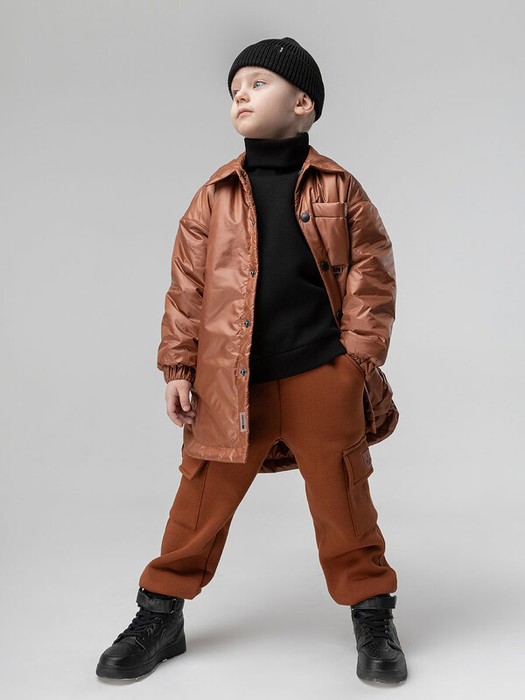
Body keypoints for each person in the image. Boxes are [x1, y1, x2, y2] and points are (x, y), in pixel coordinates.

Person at [96, 36, 408, 685]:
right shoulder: (212, 195)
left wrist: (355, 361)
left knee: (344, 501)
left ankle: (372, 615)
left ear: (302, 103)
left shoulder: (338, 186)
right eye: (234, 87)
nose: (241, 94)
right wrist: (178, 369)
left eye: (258, 83)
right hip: (229, 382)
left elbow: (372, 274)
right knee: (199, 500)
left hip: (321, 374)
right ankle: (160, 615)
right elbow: (186, 290)